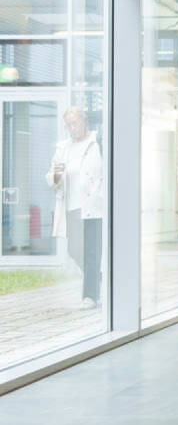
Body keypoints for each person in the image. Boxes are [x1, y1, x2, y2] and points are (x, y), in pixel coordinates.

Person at [45, 107, 104, 308]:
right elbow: (52, 176)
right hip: (70, 206)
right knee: (74, 249)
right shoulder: (64, 148)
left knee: (91, 251)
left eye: (75, 123)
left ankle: (90, 296)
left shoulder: (97, 144)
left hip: (91, 206)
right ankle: (98, 278)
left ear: (84, 121)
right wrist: (55, 176)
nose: (72, 128)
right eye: (68, 125)